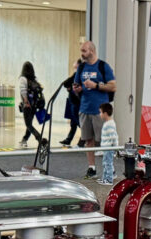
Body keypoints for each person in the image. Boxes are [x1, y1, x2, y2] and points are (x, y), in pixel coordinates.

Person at [72, 41, 116, 178]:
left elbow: (112, 86)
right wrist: (77, 89)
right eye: (81, 51)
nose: (82, 54)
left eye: (84, 51)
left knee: (105, 140)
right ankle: (92, 168)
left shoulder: (103, 67)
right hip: (85, 108)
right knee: (88, 140)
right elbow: (76, 85)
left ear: (91, 51)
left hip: (100, 110)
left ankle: (110, 168)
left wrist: (96, 85)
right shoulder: (81, 67)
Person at [18, 62, 45, 148]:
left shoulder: (23, 79)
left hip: (28, 105)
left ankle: (40, 139)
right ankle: (24, 140)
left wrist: (26, 102)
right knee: (29, 123)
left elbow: (23, 91)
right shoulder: (34, 80)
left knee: (28, 124)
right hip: (34, 105)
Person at [59, 57, 82, 147]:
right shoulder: (76, 74)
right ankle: (68, 140)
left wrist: (69, 88)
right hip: (73, 101)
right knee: (73, 123)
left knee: (77, 121)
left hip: (76, 102)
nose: (74, 63)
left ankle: (85, 138)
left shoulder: (77, 74)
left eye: (75, 62)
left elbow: (66, 83)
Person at [96, 103, 118, 185]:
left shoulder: (110, 124)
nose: (100, 114)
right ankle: (105, 178)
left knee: (108, 163)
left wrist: (115, 148)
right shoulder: (107, 123)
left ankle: (109, 179)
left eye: (100, 112)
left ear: (105, 113)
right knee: (105, 163)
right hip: (106, 148)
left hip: (109, 148)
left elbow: (114, 137)